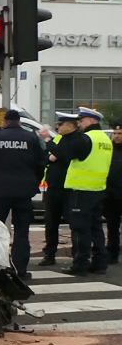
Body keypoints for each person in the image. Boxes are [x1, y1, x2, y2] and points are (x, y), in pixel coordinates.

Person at [0, 109, 45, 280]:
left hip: (1, 192)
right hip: (24, 193)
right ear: (19, 121)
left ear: (5, 121)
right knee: (22, 232)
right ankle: (21, 271)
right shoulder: (31, 138)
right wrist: (35, 184)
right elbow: (41, 164)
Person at [42, 106, 112, 275]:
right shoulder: (104, 139)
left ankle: (80, 265)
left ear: (92, 121)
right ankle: (99, 263)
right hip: (98, 188)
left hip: (81, 189)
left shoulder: (85, 138)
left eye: (82, 120)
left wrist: (48, 141)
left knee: (81, 229)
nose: (80, 123)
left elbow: (65, 154)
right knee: (96, 228)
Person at [38, 113, 79, 267]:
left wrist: (48, 139)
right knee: (51, 223)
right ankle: (49, 255)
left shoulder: (76, 140)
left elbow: (61, 155)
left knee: (74, 223)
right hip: (53, 188)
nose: (58, 127)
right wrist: (51, 155)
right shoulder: (60, 139)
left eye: (61, 124)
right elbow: (48, 157)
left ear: (71, 126)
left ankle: (77, 256)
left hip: (69, 188)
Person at [106, 123, 122, 265]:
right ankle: (112, 253)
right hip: (111, 195)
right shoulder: (108, 149)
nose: (117, 136)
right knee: (112, 227)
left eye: (120, 134)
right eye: (115, 133)